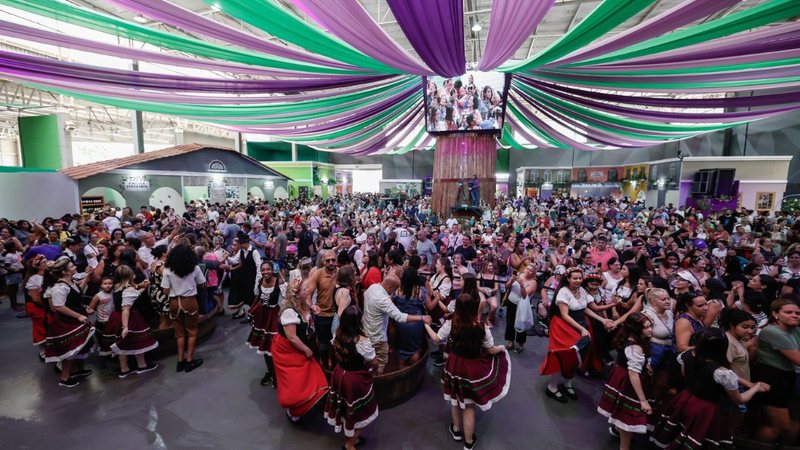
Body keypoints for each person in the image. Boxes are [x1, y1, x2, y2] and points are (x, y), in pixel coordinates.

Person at [651, 328, 770, 449]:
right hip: (706, 409)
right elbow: (739, 399)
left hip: (686, 399)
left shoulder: (686, 355)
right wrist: (756, 387)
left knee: (680, 432)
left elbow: (685, 374)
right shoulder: (722, 372)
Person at [424, 294, 510, 450]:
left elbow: (436, 339)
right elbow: (491, 350)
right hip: (472, 369)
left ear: (457, 307)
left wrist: (426, 325)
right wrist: (501, 348)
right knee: (468, 406)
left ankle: (456, 430)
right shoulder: (481, 326)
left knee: (455, 399)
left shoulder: (452, 323)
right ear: (474, 307)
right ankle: (468, 442)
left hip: (454, 365)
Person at [541, 268, 613, 403]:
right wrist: (582, 329)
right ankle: (552, 387)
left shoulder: (582, 291)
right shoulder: (563, 292)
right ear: (568, 279)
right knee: (563, 355)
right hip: (563, 327)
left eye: (580, 278)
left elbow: (584, 309)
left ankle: (567, 382)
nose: (578, 281)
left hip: (579, 325)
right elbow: (565, 315)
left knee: (577, 357)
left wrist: (602, 320)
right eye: (575, 278)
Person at [271, 280, 329, 422]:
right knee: (297, 379)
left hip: (299, 343)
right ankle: (294, 409)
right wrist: (307, 349)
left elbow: (306, 318)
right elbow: (292, 337)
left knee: (311, 371)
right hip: (286, 349)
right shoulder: (289, 312)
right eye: (304, 289)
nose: (308, 290)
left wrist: (313, 311)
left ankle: (307, 401)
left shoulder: (302, 303)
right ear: (296, 295)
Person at [324, 305, 378, 450]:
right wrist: (373, 368)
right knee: (363, 412)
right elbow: (373, 361)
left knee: (345, 408)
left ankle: (351, 437)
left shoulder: (337, 333)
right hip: (354, 379)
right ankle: (349, 444)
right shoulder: (361, 341)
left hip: (339, 374)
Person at [597, 313, 654, 450]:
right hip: (628, 383)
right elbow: (633, 374)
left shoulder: (635, 340)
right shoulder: (634, 347)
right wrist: (643, 400)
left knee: (622, 415)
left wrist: (646, 364)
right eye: (646, 327)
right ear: (636, 329)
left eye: (650, 326)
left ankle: (617, 430)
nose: (650, 329)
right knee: (626, 420)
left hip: (623, 377)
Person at [753, 299, 800, 445]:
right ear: (775, 314)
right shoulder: (772, 332)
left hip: (788, 378)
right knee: (779, 427)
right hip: (772, 379)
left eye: (797, 313)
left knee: (794, 422)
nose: (795, 315)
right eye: (788, 312)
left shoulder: (794, 330)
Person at [362, 274, 430, 374]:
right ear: (390, 287)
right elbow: (400, 317)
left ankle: (368, 373)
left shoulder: (373, 287)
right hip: (378, 336)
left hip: (367, 330)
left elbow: (365, 295)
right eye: (395, 289)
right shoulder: (383, 300)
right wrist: (422, 317)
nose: (395, 292)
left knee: (368, 357)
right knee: (381, 361)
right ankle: (377, 378)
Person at [43, 257, 94, 387]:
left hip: (75, 318)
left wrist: (88, 276)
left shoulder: (69, 283)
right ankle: (64, 378)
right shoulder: (59, 287)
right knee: (70, 350)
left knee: (77, 347)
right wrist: (79, 315)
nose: (75, 267)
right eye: (72, 266)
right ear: (65, 272)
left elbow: (77, 291)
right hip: (67, 322)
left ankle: (75, 371)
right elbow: (58, 306)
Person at [105, 265, 159, 377]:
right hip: (130, 317)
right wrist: (125, 326)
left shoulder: (116, 287)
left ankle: (124, 369)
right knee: (137, 341)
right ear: (130, 275)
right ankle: (142, 365)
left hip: (116, 316)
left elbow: (133, 294)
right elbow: (126, 308)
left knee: (121, 343)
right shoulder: (128, 289)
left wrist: (143, 287)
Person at [161, 243, 206, 373]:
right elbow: (202, 283)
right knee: (192, 331)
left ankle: (180, 361)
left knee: (179, 334)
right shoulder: (195, 268)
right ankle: (189, 360)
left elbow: (165, 291)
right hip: (189, 301)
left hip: (174, 302)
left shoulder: (167, 269)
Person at [247, 261, 286, 387]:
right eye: (263, 270)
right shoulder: (260, 282)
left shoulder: (279, 282)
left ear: (272, 270)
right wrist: (252, 310)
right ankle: (270, 372)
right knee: (264, 346)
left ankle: (278, 374)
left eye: (268, 269)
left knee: (275, 346)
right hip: (262, 317)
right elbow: (257, 298)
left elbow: (286, 299)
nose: (265, 272)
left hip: (274, 316)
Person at [505, 263, 536, 353]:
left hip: (521, 305)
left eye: (531, 270)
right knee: (510, 323)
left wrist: (522, 284)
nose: (528, 271)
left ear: (533, 273)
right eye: (527, 269)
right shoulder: (519, 275)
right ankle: (510, 342)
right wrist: (511, 280)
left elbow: (524, 296)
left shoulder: (533, 283)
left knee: (521, 324)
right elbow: (507, 286)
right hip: (511, 302)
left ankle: (520, 344)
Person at [86, 276, 115, 356]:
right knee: (104, 339)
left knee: (112, 338)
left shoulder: (115, 293)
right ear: (101, 285)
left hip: (113, 319)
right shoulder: (98, 296)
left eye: (110, 283)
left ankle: (112, 353)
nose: (107, 285)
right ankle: (105, 354)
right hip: (103, 321)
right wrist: (91, 321)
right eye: (105, 284)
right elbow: (90, 309)